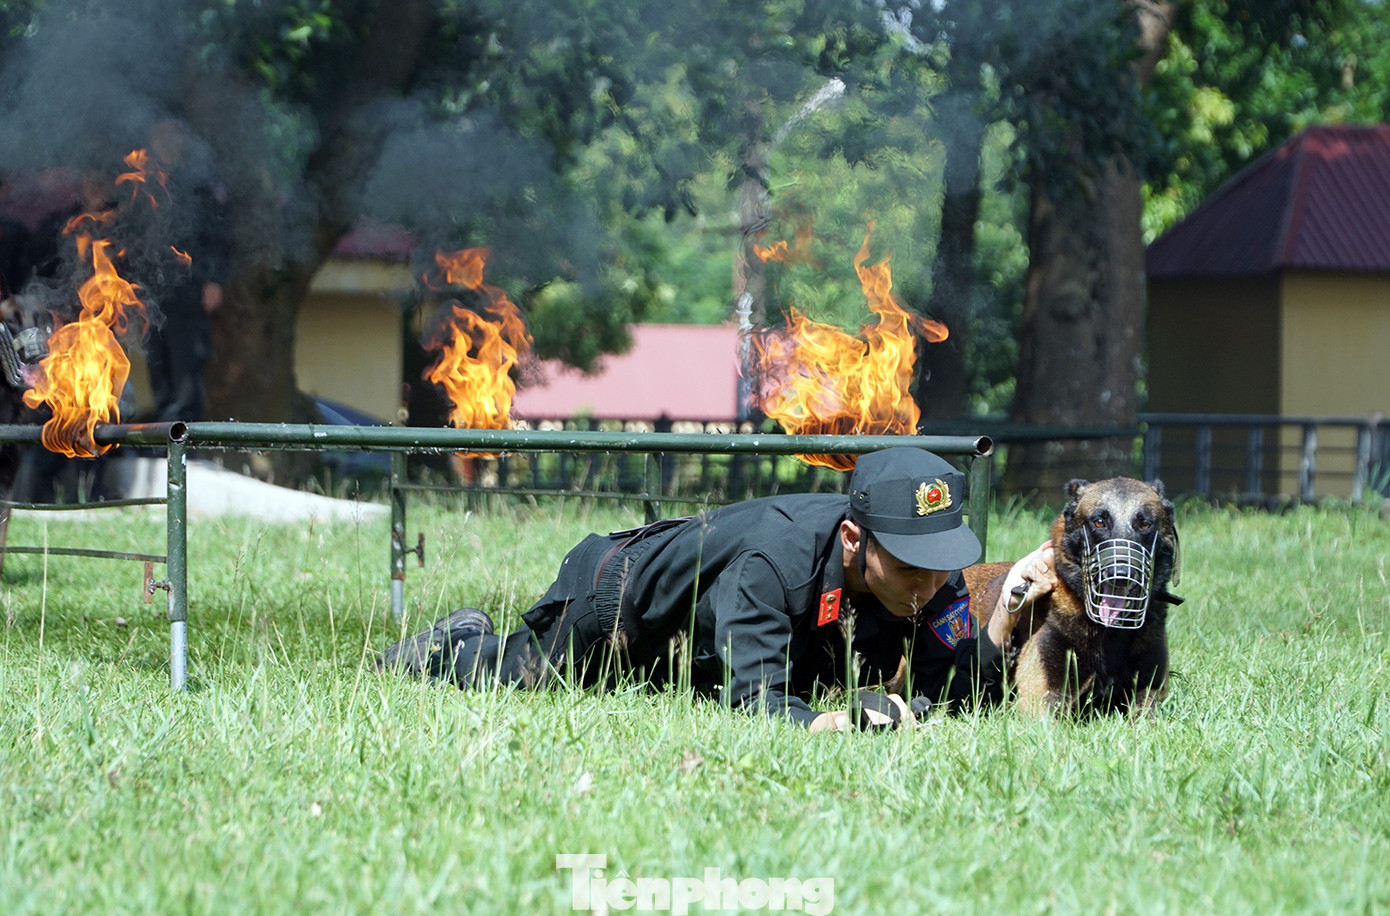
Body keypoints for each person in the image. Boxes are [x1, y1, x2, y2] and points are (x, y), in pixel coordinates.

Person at [380, 447, 1056, 731]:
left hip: (699, 643)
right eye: (912, 566)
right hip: (619, 603)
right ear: (854, 541)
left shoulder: (925, 577)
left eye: (941, 563)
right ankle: (451, 642)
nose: (932, 585)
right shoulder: (776, 565)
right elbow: (756, 703)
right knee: (516, 678)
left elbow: (957, 694)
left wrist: (1014, 598)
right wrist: (826, 723)